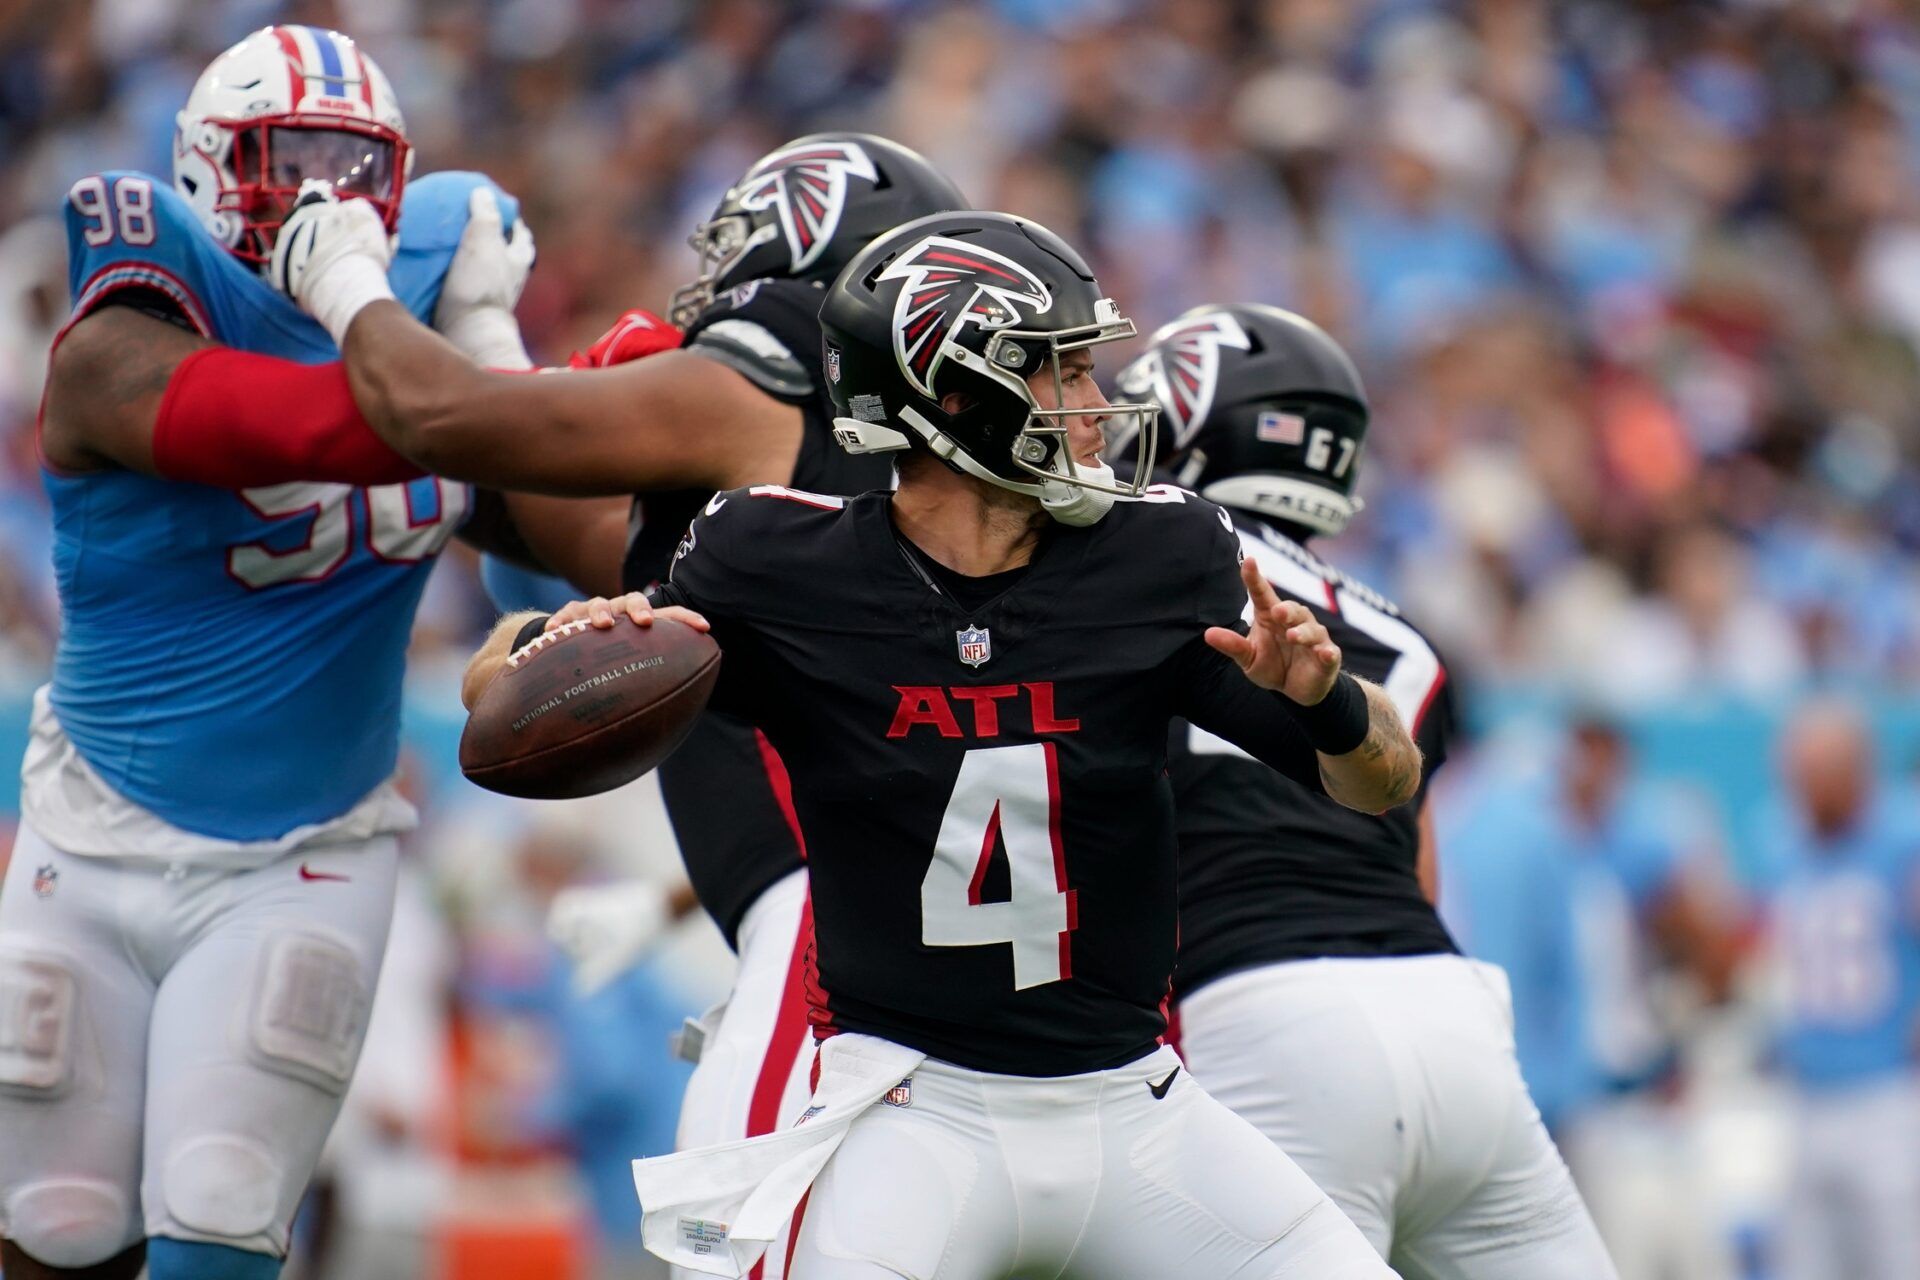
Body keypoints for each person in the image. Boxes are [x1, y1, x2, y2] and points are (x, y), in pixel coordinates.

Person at [428, 211, 1426, 1278]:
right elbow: (504, 688)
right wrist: (545, 644)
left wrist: (1324, 698)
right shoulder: (778, 557)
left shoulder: (1161, 551)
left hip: (1137, 1106)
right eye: (1062, 372)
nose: (1096, 406)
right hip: (912, 1112)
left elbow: (1381, 784)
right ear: (954, 396)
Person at [269, 131, 968, 1280]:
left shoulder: (782, 360)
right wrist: (491, 347)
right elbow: (568, 522)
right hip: (908, 927)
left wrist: (349, 281)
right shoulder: (860, 479)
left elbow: (450, 424)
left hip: (833, 941)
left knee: (726, 1258)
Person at [0, 26, 541, 1280]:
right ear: (199, 168)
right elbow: (327, 426)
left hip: (304, 851)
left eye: (354, 166)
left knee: (221, 1208)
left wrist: (495, 349)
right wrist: (479, 365)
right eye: (282, 158)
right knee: (53, 1222)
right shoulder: (119, 337)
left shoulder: (423, 295)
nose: (321, 196)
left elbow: (564, 545)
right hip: (91, 835)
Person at [1112, 303, 1617, 1279]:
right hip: (1449, 1017)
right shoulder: (1408, 635)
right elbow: (1420, 869)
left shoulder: (1120, 580)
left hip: (1257, 1015)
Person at [1761, 699, 1920, 1280]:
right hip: (1807, 1092)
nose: (1803, 789)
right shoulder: (1786, 843)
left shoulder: (1903, 838)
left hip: (1888, 1093)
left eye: (1815, 772)